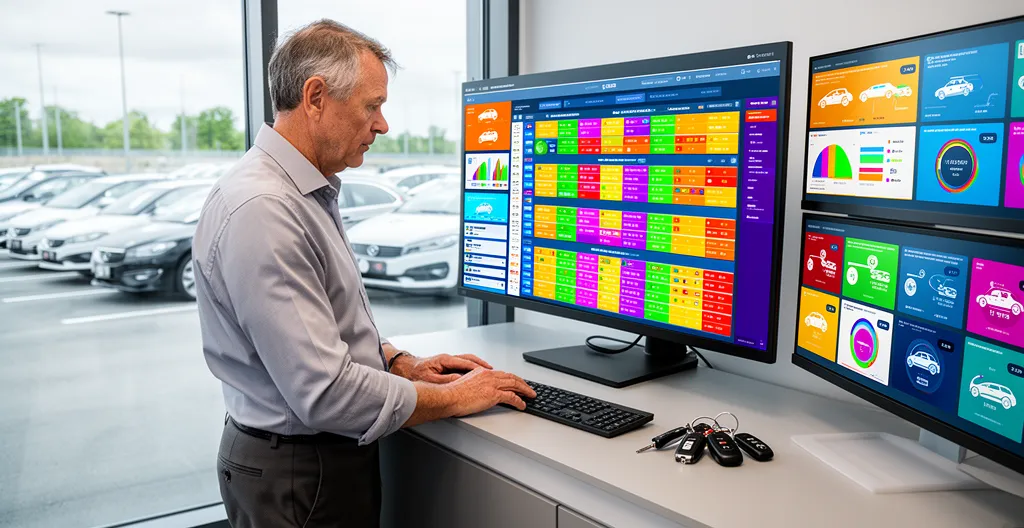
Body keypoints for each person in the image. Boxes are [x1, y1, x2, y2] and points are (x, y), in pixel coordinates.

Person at [193, 19, 535, 528]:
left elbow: (324, 325)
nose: (383, 125)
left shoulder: (297, 191)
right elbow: (325, 393)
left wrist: (398, 362)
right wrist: (454, 398)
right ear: (315, 97)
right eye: (371, 105)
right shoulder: (266, 209)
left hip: (304, 462)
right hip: (300, 472)